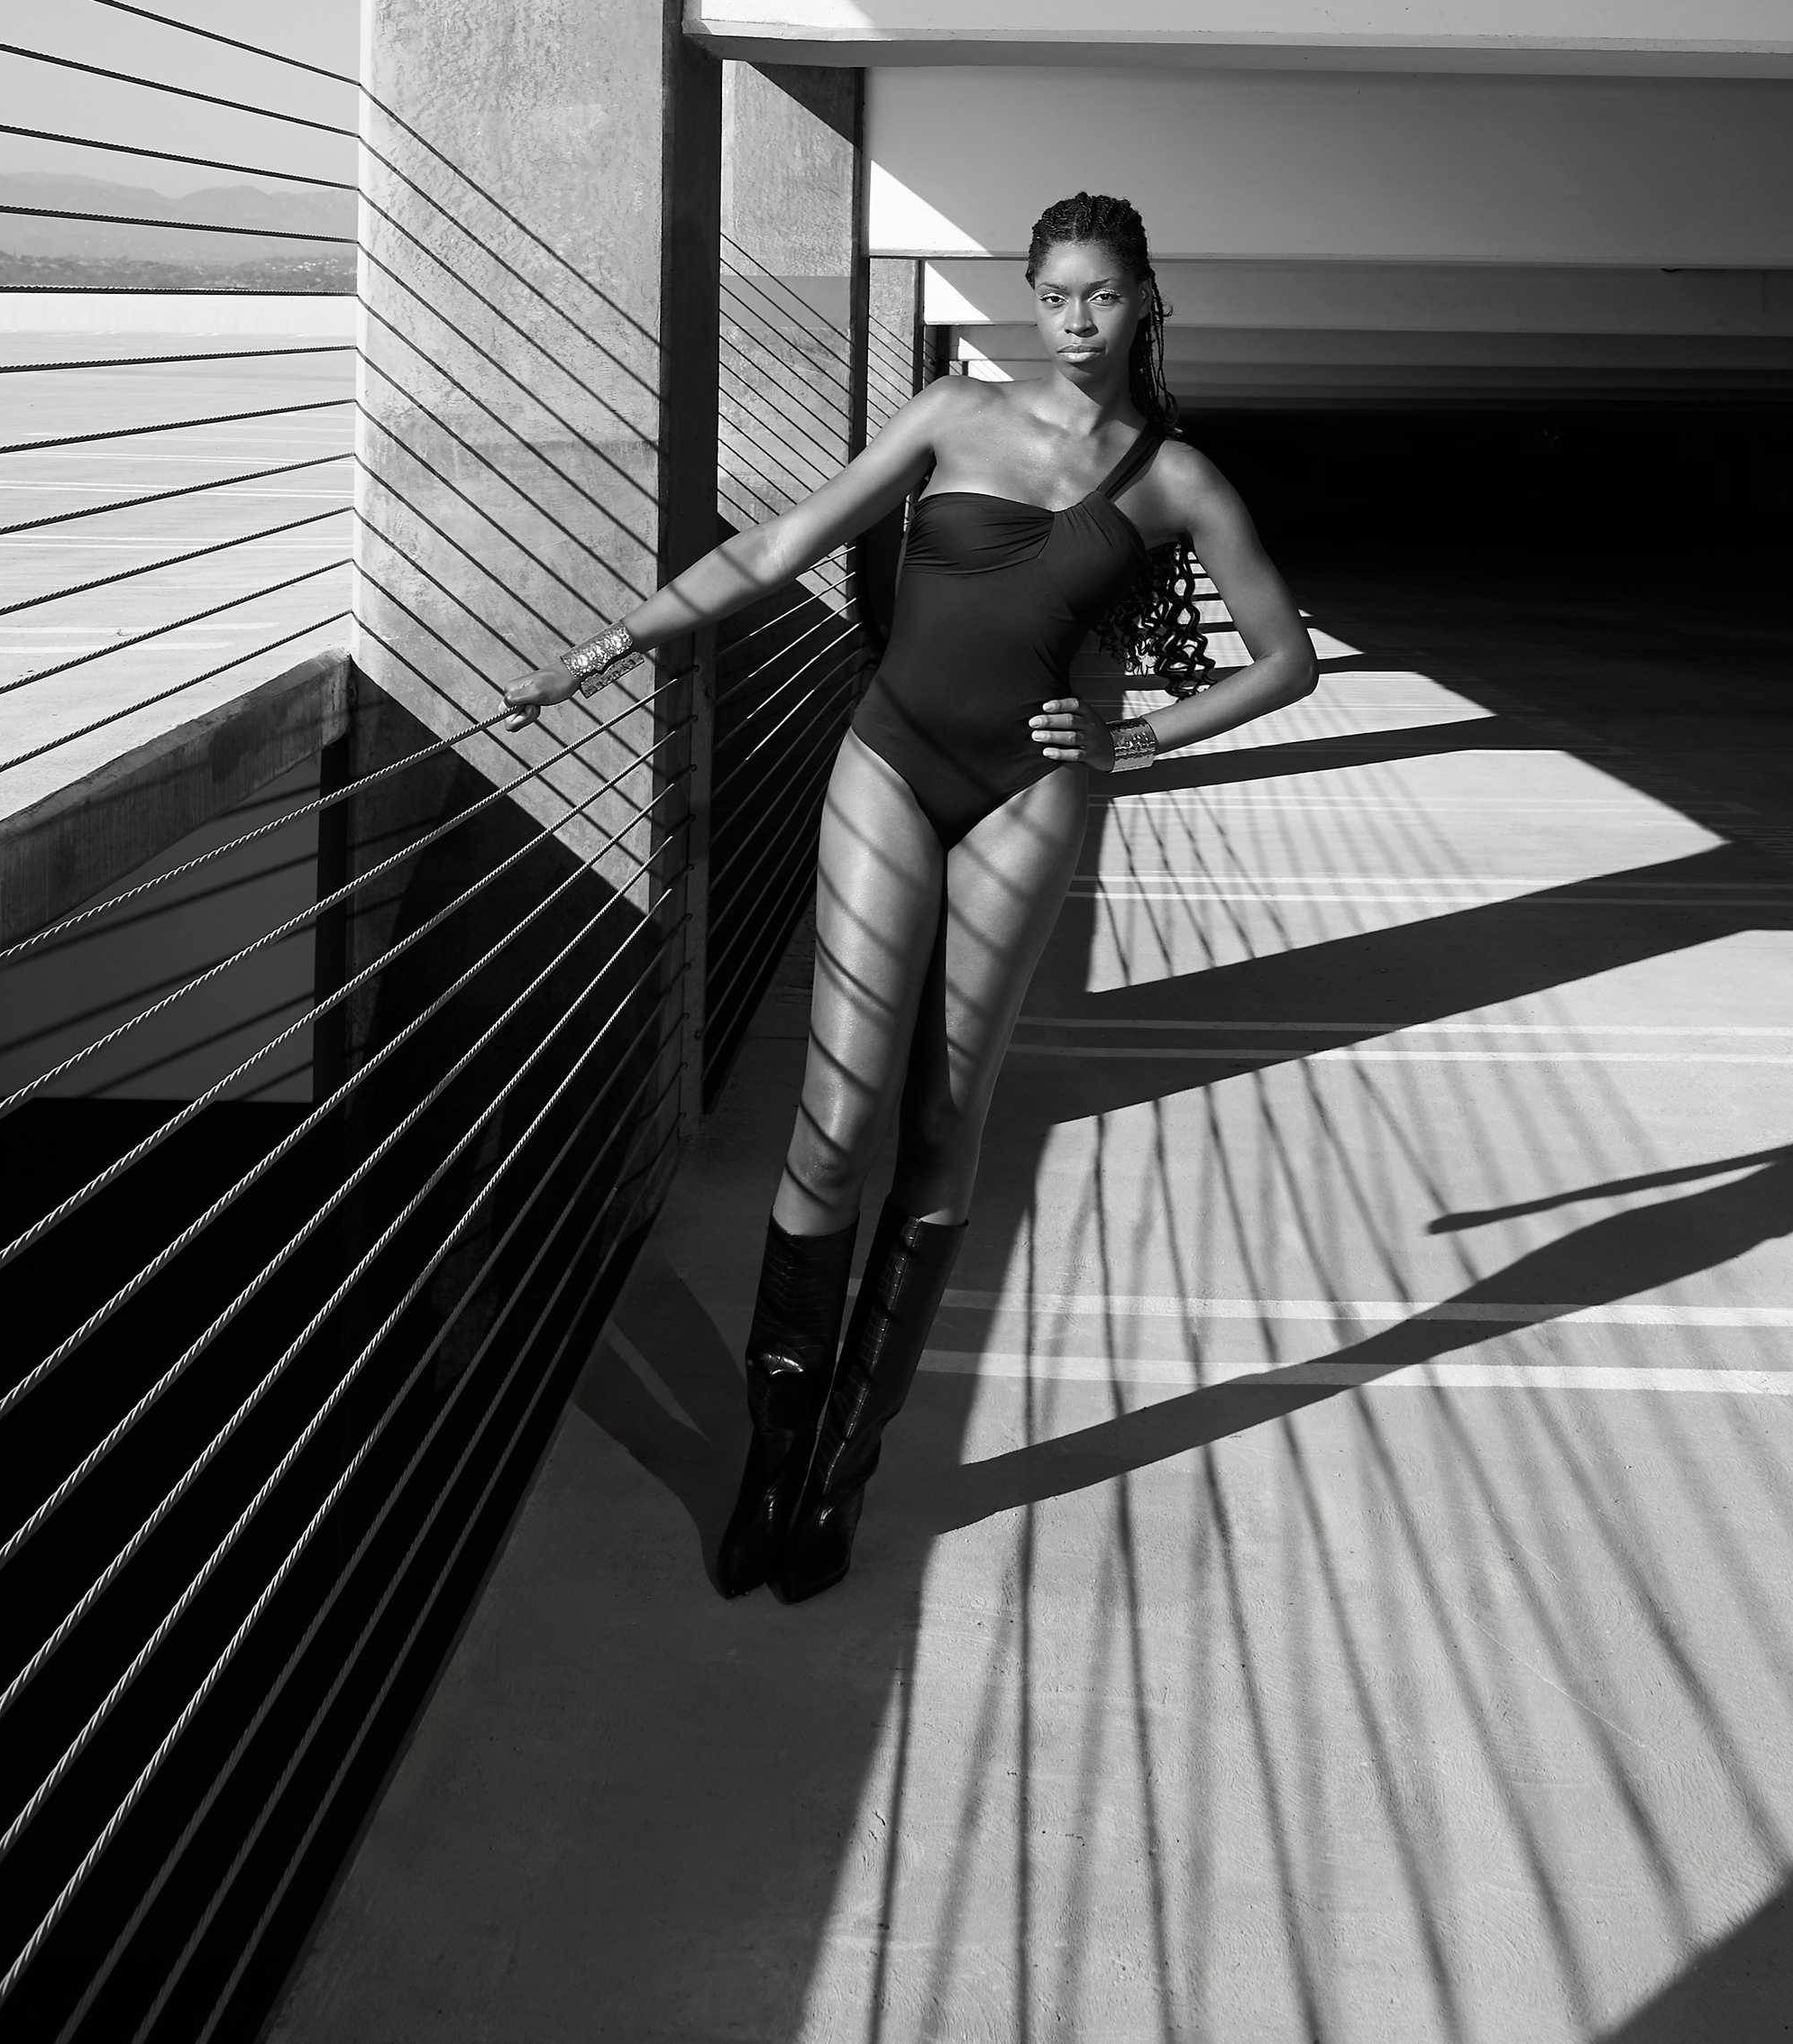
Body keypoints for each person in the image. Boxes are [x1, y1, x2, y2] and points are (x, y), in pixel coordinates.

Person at [504, 188, 1317, 1602]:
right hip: (891, 759)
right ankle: (771, 1461)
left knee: (944, 1122)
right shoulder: (953, 413)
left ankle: (839, 1473)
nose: (1075, 322)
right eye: (1053, 295)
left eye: (1101, 295)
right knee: (835, 1121)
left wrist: (1136, 741)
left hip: (1027, 790)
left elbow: (1285, 659)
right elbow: (776, 548)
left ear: (1142, 300)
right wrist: (604, 650)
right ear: (1029, 297)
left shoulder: (1178, 479)